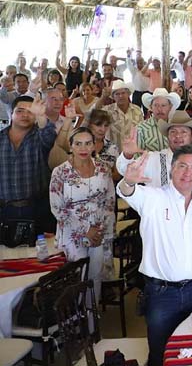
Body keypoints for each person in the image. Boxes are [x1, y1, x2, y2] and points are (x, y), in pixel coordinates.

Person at [117, 146, 192, 366]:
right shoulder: (153, 197)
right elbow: (127, 192)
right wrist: (128, 181)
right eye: (182, 166)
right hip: (161, 294)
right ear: (172, 168)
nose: (188, 173)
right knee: (159, 352)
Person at [49, 127, 115, 301]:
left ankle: (92, 317)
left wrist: (100, 230)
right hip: (72, 233)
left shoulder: (103, 168)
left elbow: (109, 201)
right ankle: (75, 318)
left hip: (98, 232)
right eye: (78, 144)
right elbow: (57, 208)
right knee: (76, 280)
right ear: (70, 146)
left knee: (95, 279)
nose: (83, 148)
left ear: (94, 145)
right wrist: (85, 230)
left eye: (87, 143)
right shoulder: (60, 172)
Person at [116, 111, 192, 197]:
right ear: (167, 136)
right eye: (173, 132)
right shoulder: (153, 159)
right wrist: (127, 155)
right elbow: (124, 170)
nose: (178, 136)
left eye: (183, 132)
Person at [0, 96, 55, 231]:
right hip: (4, 209)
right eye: (20, 111)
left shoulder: (40, 136)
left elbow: (49, 136)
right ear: (11, 113)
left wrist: (41, 116)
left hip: (38, 207)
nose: (25, 115)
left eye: (30, 111)